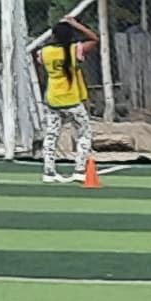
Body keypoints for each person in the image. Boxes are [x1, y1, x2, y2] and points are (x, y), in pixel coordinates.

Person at [34, 18, 99, 180]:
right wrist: (76, 24)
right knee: (84, 133)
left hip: (53, 98)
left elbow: (41, 60)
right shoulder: (75, 49)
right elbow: (94, 39)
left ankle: (49, 171)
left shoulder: (44, 52)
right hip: (71, 99)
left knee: (52, 135)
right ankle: (79, 170)